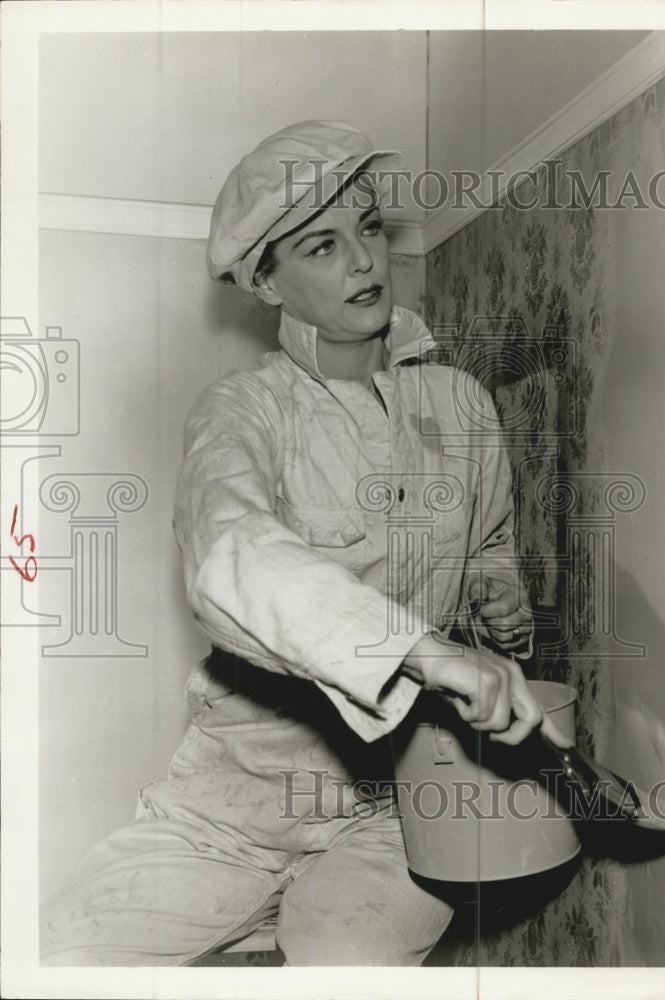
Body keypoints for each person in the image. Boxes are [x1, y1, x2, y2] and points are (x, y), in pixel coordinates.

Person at [40, 120, 570, 967]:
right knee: (56, 956)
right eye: (322, 246)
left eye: (368, 229)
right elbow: (230, 554)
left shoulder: (463, 404)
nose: (364, 262)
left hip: (394, 804)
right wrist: (426, 652)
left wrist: (496, 610)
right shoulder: (242, 411)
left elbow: (489, 548)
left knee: (346, 968)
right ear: (268, 283)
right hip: (230, 803)